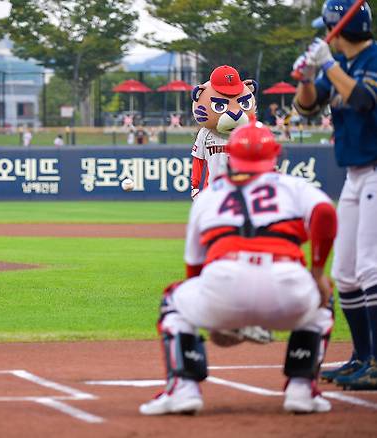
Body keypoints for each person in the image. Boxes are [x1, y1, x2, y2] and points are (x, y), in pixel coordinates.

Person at [139, 117, 337, 416]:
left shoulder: (208, 197)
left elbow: (195, 268)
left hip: (224, 285)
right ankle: (301, 388)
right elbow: (325, 213)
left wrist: (216, 319)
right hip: (288, 289)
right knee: (325, 297)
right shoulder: (293, 185)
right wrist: (318, 271)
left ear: (232, 156)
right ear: (276, 155)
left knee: (173, 301)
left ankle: (184, 389)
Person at [292, 0, 377, 390]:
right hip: (355, 174)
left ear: (338, 30)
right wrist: (308, 77)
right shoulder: (337, 64)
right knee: (344, 273)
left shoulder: (373, 59)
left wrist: (328, 64)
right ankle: (362, 357)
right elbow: (307, 109)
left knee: (370, 268)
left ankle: (376, 361)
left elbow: (364, 101)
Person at [190, 65, 258, 200]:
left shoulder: (247, 131)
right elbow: (198, 159)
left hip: (240, 189)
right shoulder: (205, 133)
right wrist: (195, 185)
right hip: (213, 190)